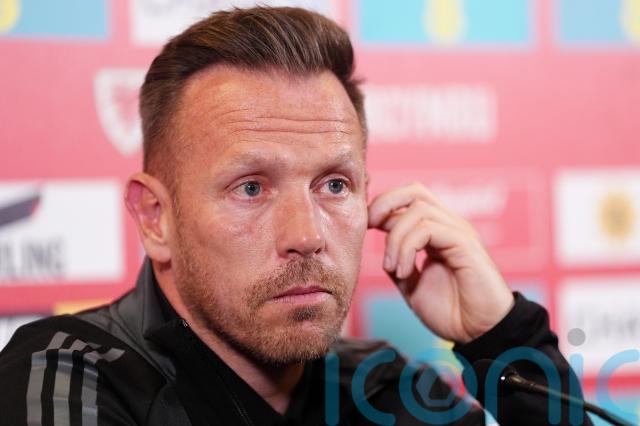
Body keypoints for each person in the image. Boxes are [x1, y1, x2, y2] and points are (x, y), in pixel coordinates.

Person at [0, 6, 591, 426]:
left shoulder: (383, 386)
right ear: (156, 218)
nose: (306, 235)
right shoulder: (67, 378)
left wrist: (502, 336)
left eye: (334, 185)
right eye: (251, 188)